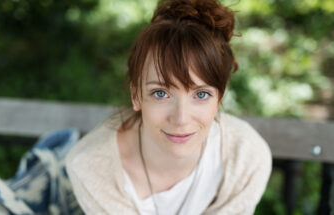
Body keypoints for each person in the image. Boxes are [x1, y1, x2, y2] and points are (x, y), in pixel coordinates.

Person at [65, 0, 272, 214]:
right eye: (161, 93)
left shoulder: (246, 157)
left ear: (219, 99)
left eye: (201, 94)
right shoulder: (90, 166)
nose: (181, 118)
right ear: (136, 95)